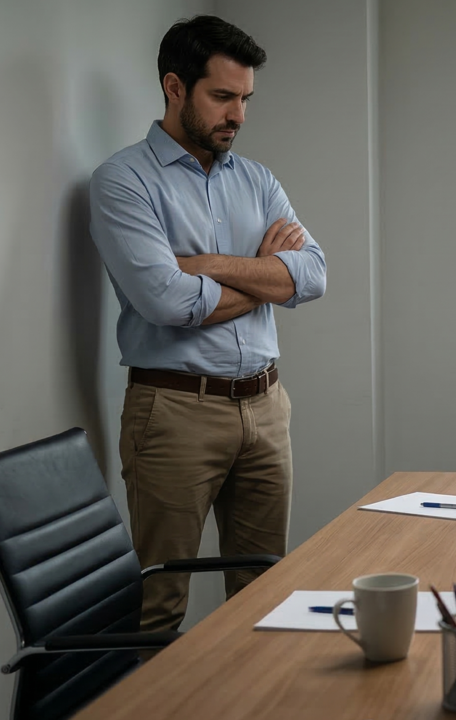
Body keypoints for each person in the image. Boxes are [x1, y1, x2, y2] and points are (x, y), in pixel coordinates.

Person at [89, 15, 326, 633]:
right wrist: (267, 275)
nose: (239, 115)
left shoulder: (257, 179)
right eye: (222, 97)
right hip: (173, 412)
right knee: (158, 606)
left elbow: (315, 276)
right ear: (175, 88)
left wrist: (215, 267)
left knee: (265, 594)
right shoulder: (123, 181)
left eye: (245, 98)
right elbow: (167, 302)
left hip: (267, 405)